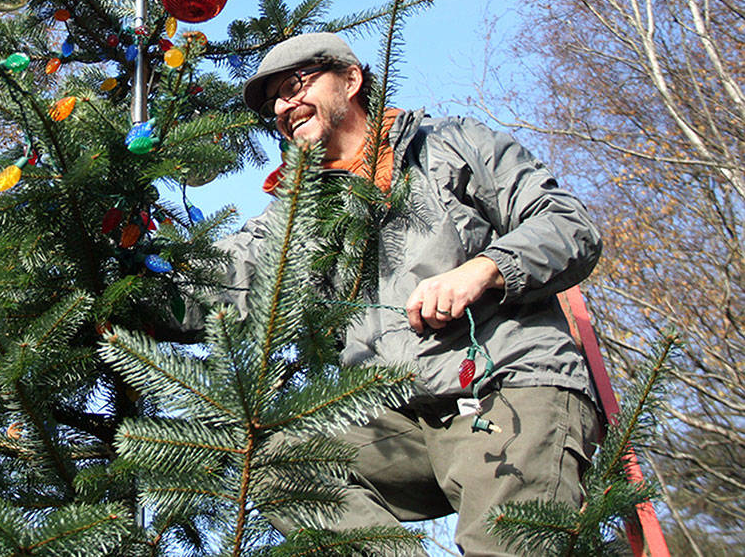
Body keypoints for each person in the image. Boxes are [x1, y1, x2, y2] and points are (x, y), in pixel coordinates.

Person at [225, 33, 602, 556]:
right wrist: (128, 260)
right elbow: (223, 279)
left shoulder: (447, 145)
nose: (285, 107)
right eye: (274, 104)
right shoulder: (296, 213)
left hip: (509, 388)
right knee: (275, 462)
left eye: (296, 85)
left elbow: (570, 227)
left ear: (352, 80)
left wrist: (483, 270)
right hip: (399, 418)